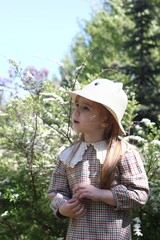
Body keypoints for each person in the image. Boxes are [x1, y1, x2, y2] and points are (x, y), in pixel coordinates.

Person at [47, 79, 149, 240]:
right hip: (77, 235)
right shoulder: (68, 155)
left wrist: (100, 194)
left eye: (86, 108)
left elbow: (140, 195)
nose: (77, 111)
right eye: (77, 105)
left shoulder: (124, 153)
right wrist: (63, 208)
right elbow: (56, 192)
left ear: (106, 121)